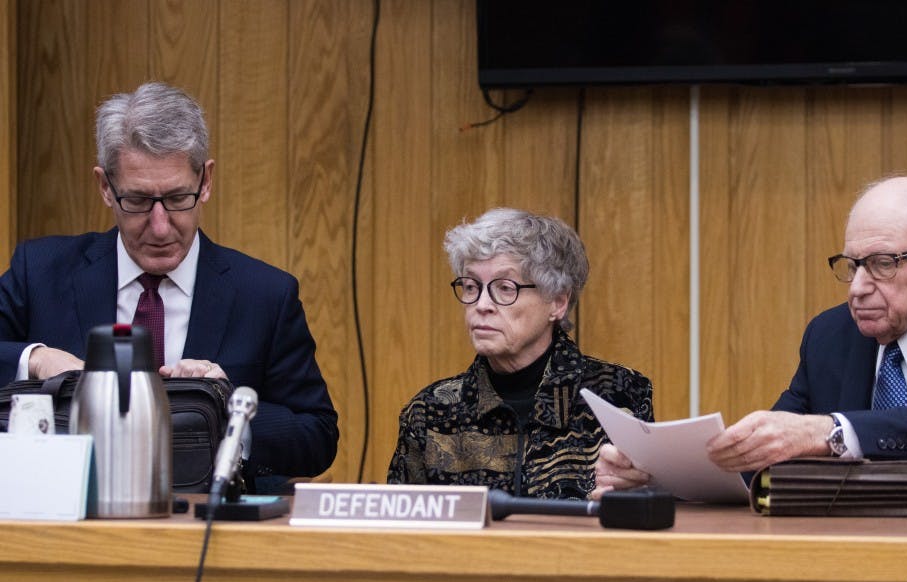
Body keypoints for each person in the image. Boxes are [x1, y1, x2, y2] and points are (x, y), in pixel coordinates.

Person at [0, 82, 338, 489]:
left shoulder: (265, 295)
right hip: (70, 530)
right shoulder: (39, 272)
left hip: (209, 540)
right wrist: (36, 358)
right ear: (106, 187)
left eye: (178, 198)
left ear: (206, 180)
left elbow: (318, 436)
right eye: (138, 201)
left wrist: (228, 409)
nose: (160, 227)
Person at [594, 175, 907, 505]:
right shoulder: (830, 335)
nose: (857, 288)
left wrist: (831, 432)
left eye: (881, 264)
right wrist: (660, 479)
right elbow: (766, 454)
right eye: (852, 265)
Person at [387, 208, 654, 499]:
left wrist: (628, 496)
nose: (482, 304)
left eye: (504, 288)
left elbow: (649, 515)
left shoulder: (616, 394)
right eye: (471, 286)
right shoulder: (430, 411)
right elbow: (397, 530)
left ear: (557, 303)